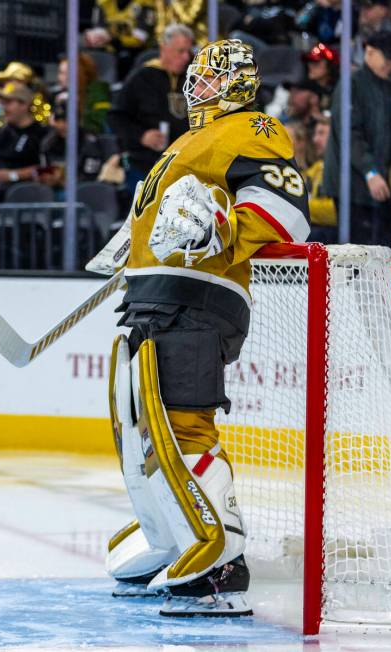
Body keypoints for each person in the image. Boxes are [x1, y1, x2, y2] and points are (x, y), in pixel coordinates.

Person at [105, 39, 310, 617]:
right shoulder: (188, 141)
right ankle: (173, 538)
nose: (199, 88)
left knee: (181, 424)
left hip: (197, 298)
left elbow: (285, 203)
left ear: (241, 83)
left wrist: (222, 234)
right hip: (151, 297)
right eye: (196, 78)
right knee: (140, 431)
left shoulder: (253, 128)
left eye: (212, 79)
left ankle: (221, 561)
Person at [324, 30, 391, 247]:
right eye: (387, 58)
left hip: (378, 187)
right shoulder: (352, 86)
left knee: (384, 252)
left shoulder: (388, 88)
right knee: (358, 253)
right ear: (369, 52)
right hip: (353, 187)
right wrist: (370, 172)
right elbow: (349, 134)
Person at [108, 23, 193, 194]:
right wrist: (142, 136)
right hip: (144, 165)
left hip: (183, 166)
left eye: (188, 52)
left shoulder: (193, 79)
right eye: (180, 51)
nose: (185, 57)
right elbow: (116, 118)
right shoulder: (141, 77)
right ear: (164, 48)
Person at [0, 82, 48, 198]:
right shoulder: (2, 132)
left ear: (24, 105)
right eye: (3, 103)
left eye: (9, 103)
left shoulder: (40, 134)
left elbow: (44, 168)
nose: (4, 108)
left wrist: (12, 175)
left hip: (22, 192)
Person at [54, 53, 111, 135]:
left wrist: (76, 103)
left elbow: (96, 125)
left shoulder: (99, 92)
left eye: (64, 73)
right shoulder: (62, 95)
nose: (59, 78)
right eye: (60, 73)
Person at [352, 0, 391, 68]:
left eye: (368, 7)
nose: (362, 11)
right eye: (361, 7)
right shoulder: (363, 32)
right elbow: (357, 61)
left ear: (382, 10)